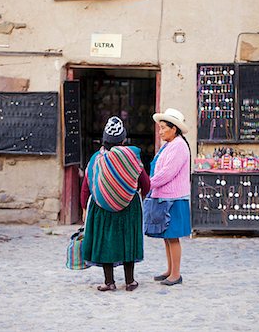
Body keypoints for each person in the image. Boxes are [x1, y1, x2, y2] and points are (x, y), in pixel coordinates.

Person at [80, 116, 150, 292]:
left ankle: (109, 282)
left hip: (101, 207)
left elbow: (85, 187)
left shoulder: (96, 158)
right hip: (129, 206)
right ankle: (130, 281)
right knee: (128, 240)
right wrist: (136, 196)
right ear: (124, 139)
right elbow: (146, 183)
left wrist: (83, 208)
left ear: (104, 139)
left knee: (106, 241)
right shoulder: (132, 157)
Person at [145, 108, 191, 286]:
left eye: (164, 128)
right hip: (165, 197)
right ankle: (170, 269)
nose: (160, 131)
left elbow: (167, 173)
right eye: (160, 127)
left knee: (173, 236)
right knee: (167, 236)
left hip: (174, 198)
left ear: (174, 129)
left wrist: (149, 184)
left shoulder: (178, 146)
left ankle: (176, 273)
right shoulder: (169, 145)